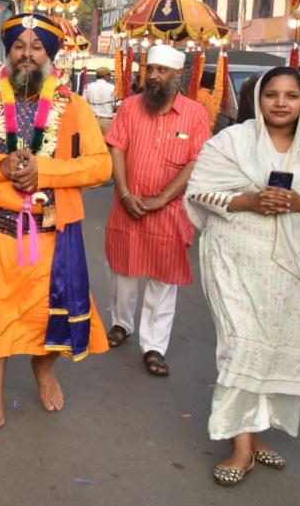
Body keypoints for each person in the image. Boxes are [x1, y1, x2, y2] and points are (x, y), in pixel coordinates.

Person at [0, 12, 110, 441]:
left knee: (50, 320)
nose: (27, 55)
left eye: (37, 47)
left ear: (50, 55)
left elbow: (101, 166)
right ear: (7, 53)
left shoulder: (75, 107)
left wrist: (44, 171)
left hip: (51, 238)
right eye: (19, 47)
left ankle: (43, 369)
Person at [185, 67, 300, 486]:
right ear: (259, 99)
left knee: (274, 349)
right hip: (235, 261)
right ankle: (240, 446)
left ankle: (255, 432)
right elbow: (199, 192)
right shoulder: (231, 142)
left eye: (291, 95)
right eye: (272, 95)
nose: (281, 103)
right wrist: (247, 200)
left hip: (294, 273)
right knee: (242, 345)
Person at [103, 44, 210, 377]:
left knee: (163, 280)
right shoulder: (131, 107)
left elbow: (197, 161)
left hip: (170, 209)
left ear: (177, 76)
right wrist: (123, 193)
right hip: (128, 204)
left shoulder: (195, 114)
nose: (153, 77)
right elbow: (116, 149)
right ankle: (121, 323)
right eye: (150, 70)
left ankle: (154, 346)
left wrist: (162, 199)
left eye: (161, 71)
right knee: (123, 270)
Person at [83, 66, 116, 134]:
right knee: (105, 143)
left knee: (92, 143)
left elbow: (83, 104)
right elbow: (116, 106)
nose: (110, 77)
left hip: (92, 120)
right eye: (109, 75)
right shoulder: (112, 88)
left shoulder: (88, 87)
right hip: (106, 121)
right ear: (106, 75)